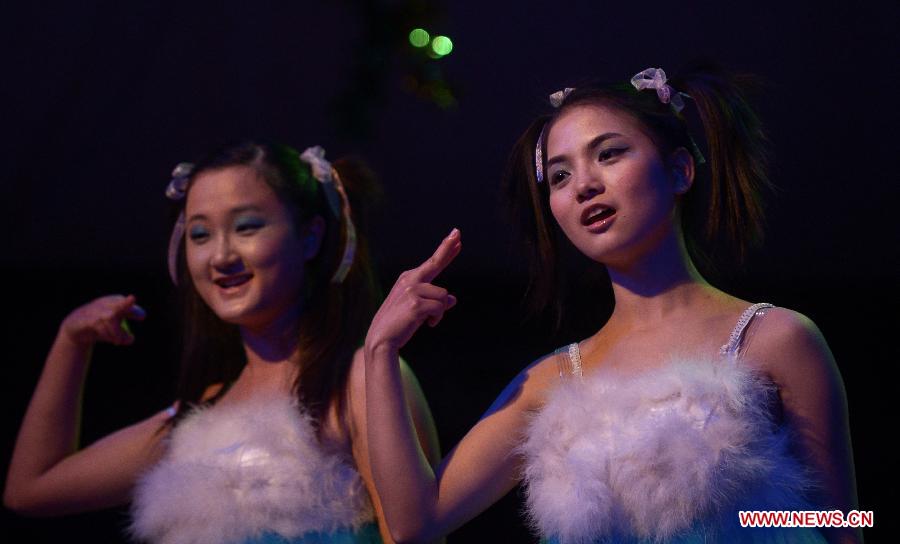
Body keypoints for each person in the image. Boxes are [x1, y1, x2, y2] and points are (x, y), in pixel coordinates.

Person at [363, 66, 860, 543]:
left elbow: (839, 521)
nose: (583, 185)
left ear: (680, 171)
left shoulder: (776, 339)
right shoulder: (552, 382)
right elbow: (415, 523)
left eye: (610, 153)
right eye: (559, 176)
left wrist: (739, 518)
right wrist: (380, 351)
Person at [4, 141, 441, 543]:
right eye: (200, 234)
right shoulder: (201, 415)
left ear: (310, 237)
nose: (221, 255)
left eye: (246, 227)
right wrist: (70, 343)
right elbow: (31, 488)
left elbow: (417, 533)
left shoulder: (362, 381)